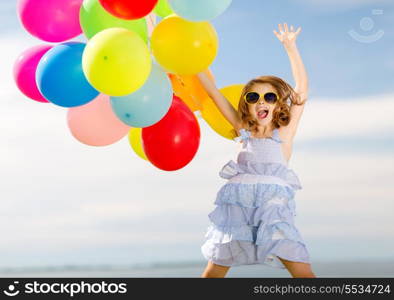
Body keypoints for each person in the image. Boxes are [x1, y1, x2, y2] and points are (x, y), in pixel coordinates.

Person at [197, 23, 315, 278]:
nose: (261, 101)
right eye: (253, 98)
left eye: (269, 97)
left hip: (272, 209)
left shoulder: (283, 133)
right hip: (237, 210)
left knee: (300, 268)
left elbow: (302, 89)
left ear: (277, 105)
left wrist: (290, 47)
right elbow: (213, 92)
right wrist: (191, 63)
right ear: (247, 106)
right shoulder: (242, 129)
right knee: (214, 269)